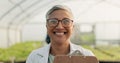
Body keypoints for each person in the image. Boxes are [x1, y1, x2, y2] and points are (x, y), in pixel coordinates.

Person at [26, 5, 94, 63]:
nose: (59, 27)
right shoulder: (34, 57)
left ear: (72, 27)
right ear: (47, 26)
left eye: (66, 21)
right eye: (53, 21)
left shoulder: (87, 56)